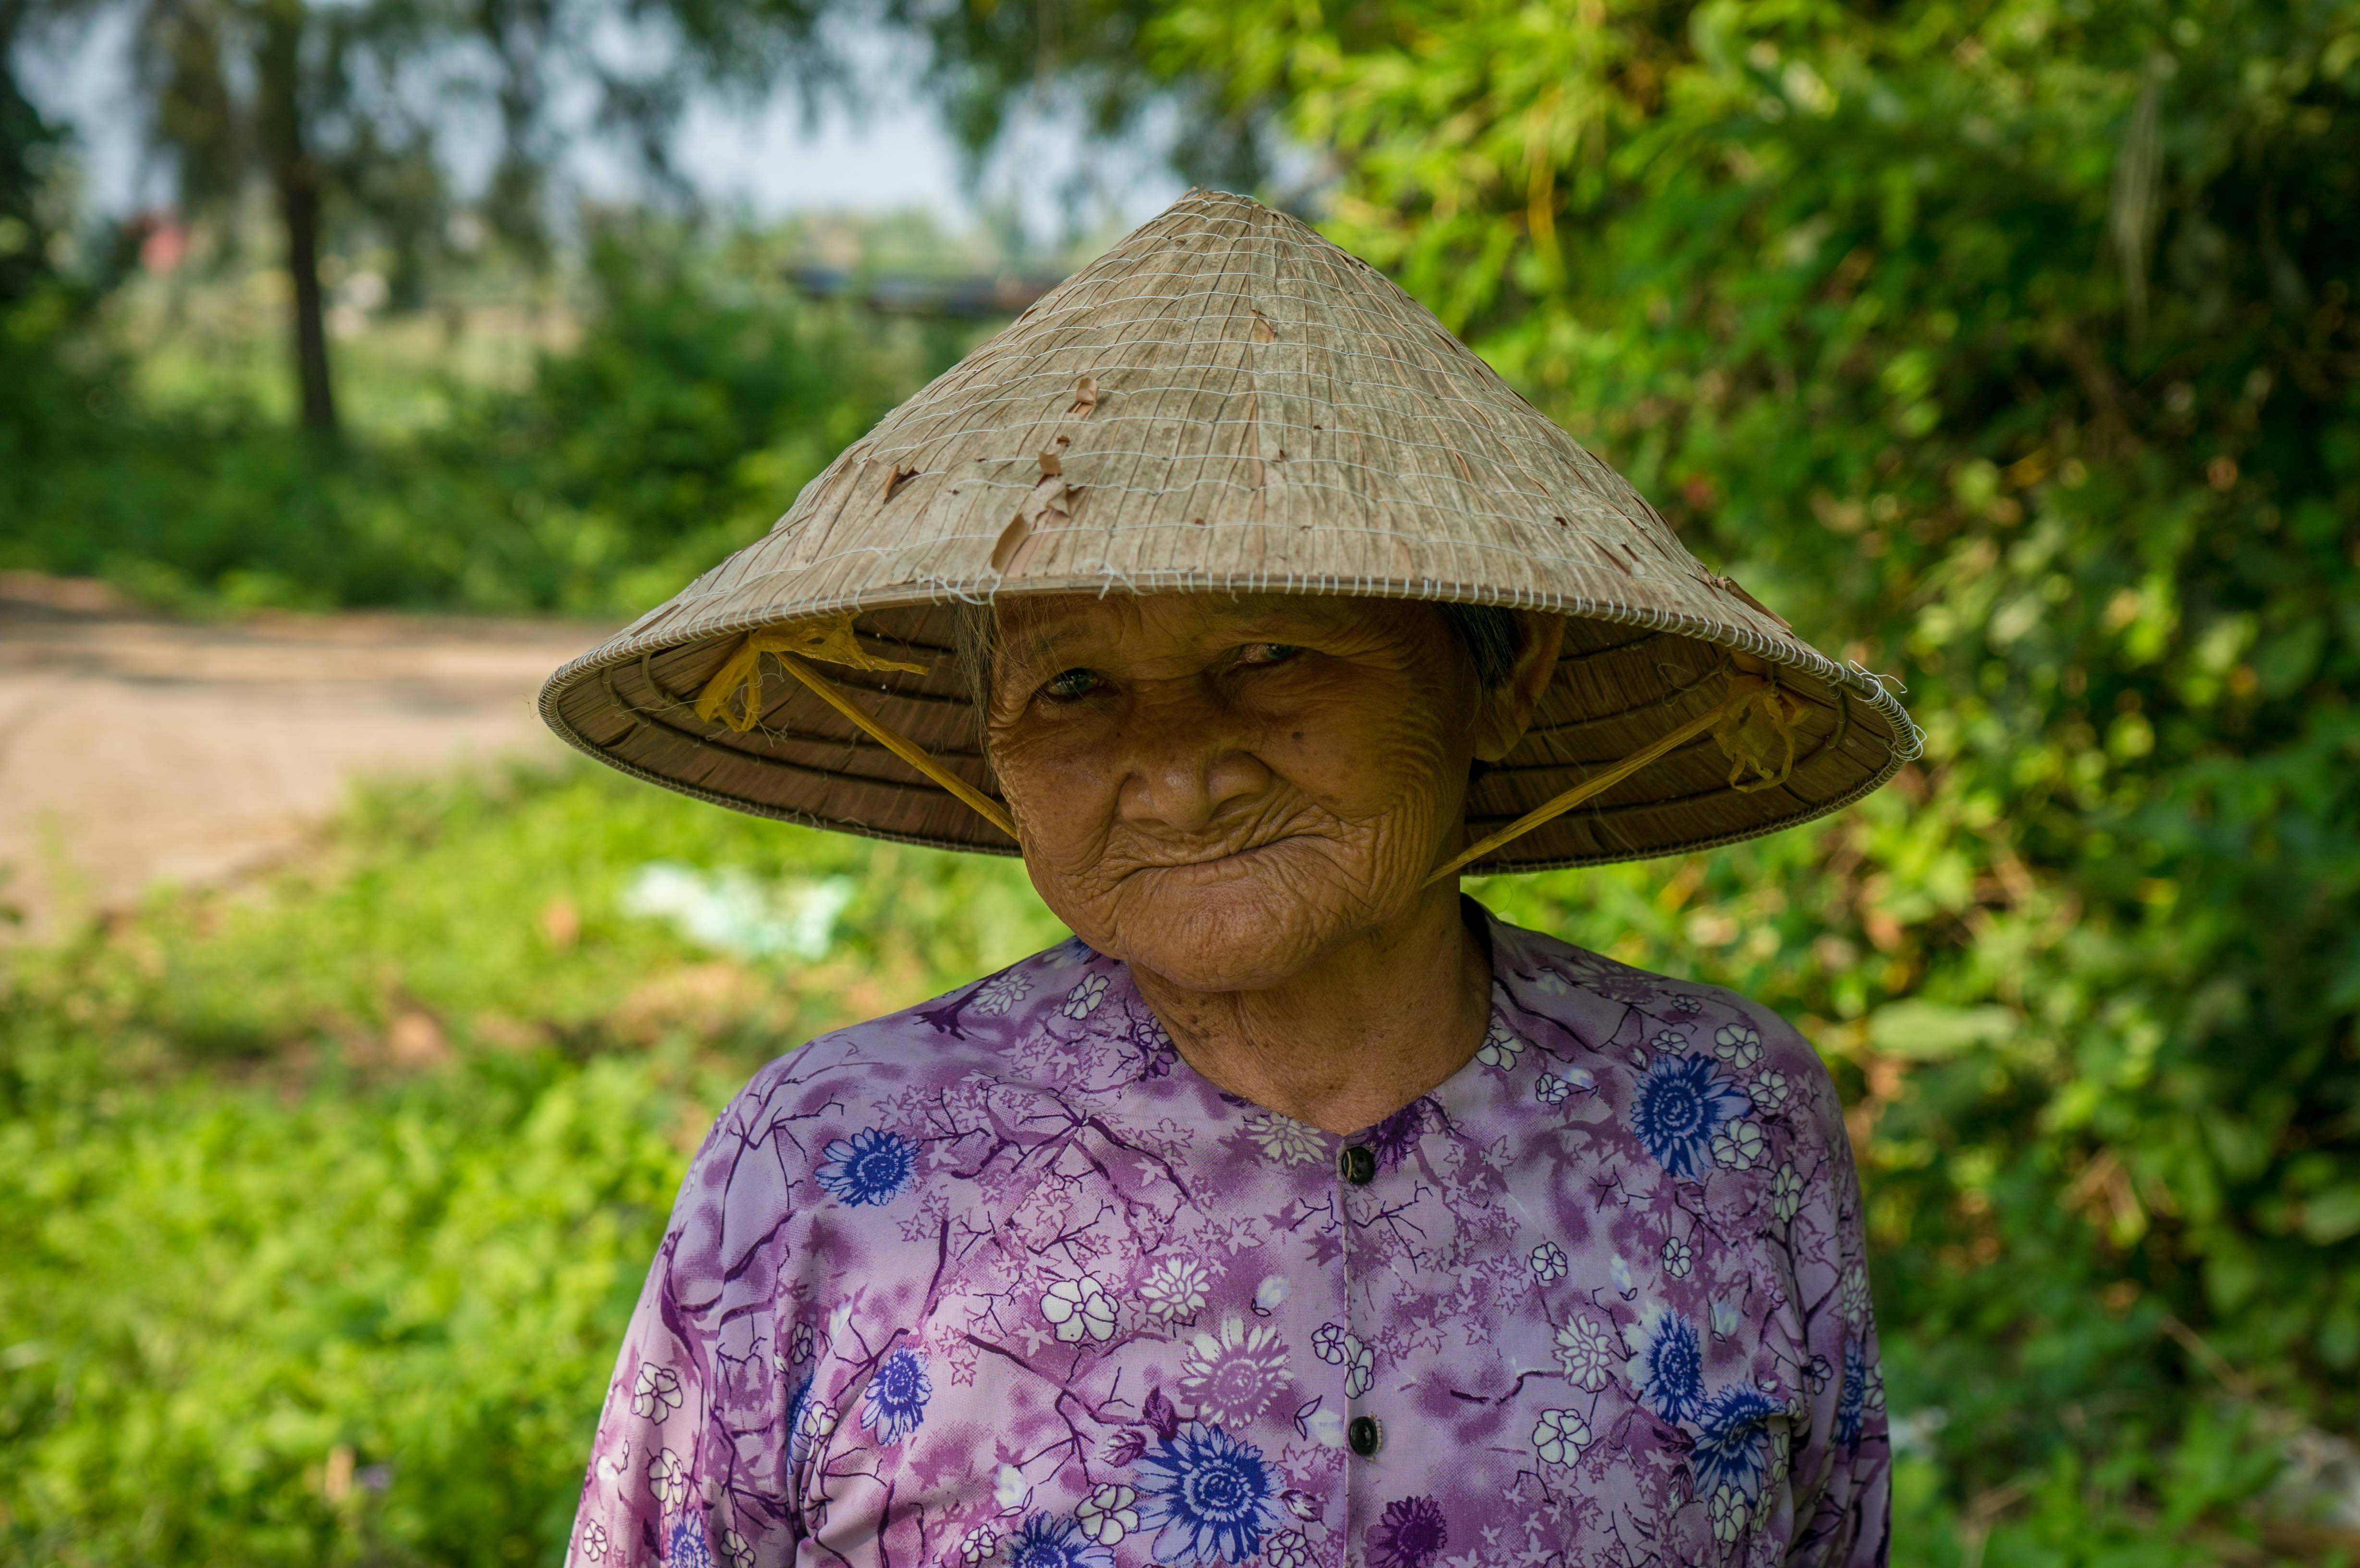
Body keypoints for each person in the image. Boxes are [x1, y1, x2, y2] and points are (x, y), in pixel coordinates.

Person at [541, 191, 1912, 1568]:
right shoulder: (823, 1166)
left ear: (1506, 682)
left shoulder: (1728, 1125)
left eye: (1272, 655)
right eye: (1073, 685)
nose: (1183, 773)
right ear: (996, 744)